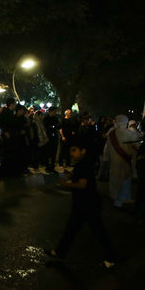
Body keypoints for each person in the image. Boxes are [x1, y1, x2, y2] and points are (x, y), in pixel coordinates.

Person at [45, 137, 116, 269]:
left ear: (83, 151)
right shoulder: (83, 163)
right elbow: (82, 179)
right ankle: (59, 252)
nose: (71, 153)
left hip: (88, 204)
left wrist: (65, 183)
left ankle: (110, 259)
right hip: (83, 204)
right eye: (71, 150)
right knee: (71, 229)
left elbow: (83, 185)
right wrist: (70, 176)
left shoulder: (84, 164)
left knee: (98, 231)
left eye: (74, 150)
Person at [105, 114, 140, 209]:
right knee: (125, 179)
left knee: (114, 177)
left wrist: (105, 158)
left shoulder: (111, 133)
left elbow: (107, 148)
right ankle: (122, 198)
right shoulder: (130, 134)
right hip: (125, 161)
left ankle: (114, 194)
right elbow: (137, 147)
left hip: (113, 160)